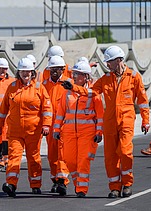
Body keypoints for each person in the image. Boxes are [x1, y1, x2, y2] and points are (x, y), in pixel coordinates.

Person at [61, 45, 150, 198]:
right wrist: (74, 88)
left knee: (125, 151)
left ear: (119, 60)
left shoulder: (134, 77)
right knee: (110, 156)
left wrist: (145, 120)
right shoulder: (105, 79)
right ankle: (115, 187)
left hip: (126, 120)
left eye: (110, 62)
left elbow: (142, 101)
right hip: (110, 122)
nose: (107, 64)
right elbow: (91, 92)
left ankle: (127, 183)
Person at [0, 58, 52, 197]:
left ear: (32, 73)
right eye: (23, 71)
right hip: (15, 131)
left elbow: (47, 108)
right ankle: (11, 183)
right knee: (14, 157)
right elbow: (3, 108)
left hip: (34, 130)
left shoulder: (39, 87)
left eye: (28, 71)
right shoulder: (12, 87)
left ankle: (35, 184)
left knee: (34, 158)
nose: (25, 74)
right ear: (18, 72)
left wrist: (46, 124)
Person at [53, 61, 104, 197]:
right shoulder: (68, 93)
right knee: (69, 160)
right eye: (74, 73)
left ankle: (81, 190)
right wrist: (56, 130)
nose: (75, 77)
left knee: (83, 161)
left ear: (86, 77)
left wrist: (99, 132)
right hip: (69, 132)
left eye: (78, 74)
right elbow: (60, 112)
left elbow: (100, 115)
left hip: (87, 133)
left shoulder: (94, 93)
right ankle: (78, 184)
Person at [42, 55, 73, 193]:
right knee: (52, 155)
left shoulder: (69, 84)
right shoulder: (43, 86)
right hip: (50, 126)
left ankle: (62, 181)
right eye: (52, 69)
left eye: (58, 69)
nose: (54, 71)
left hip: (65, 126)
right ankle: (55, 180)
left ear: (63, 69)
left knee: (62, 153)